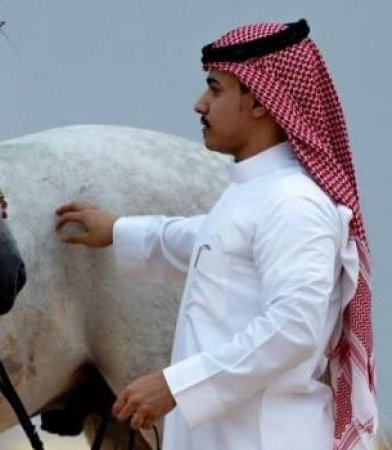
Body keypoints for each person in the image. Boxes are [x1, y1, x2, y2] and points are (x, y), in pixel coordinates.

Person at [55, 19, 376, 449]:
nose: (199, 105)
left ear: (261, 100)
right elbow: (203, 240)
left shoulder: (293, 204)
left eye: (215, 89)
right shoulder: (253, 194)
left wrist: (177, 387)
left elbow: (293, 328)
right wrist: (118, 231)